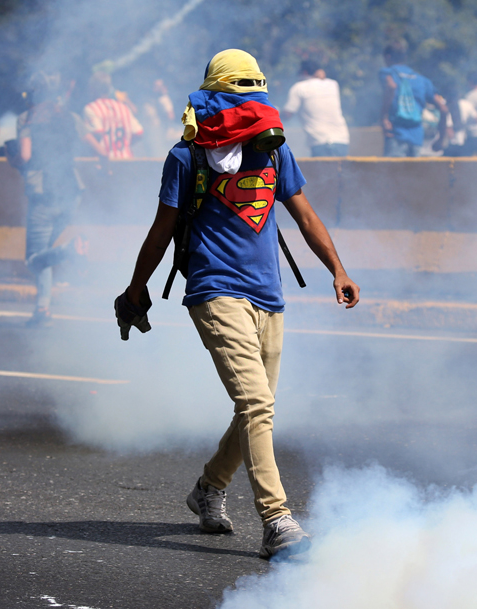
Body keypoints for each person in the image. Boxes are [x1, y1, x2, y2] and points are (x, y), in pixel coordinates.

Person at [116, 49, 360, 559]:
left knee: (254, 408)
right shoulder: (186, 157)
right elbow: (162, 230)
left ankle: (208, 488)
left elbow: (306, 216)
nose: (248, 104)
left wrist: (337, 269)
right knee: (257, 405)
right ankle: (277, 521)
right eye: (239, 95)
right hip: (214, 291)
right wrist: (136, 288)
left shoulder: (274, 150)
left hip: (269, 296)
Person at [13, 71, 85, 326]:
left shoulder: (27, 118)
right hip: (71, 192)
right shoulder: (70, 116)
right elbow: (89, 142)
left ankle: (68, 250)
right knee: (43, 254)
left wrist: (14, 156)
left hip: (44, 194)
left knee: (34, 258)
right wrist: (104, 159)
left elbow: (24, 155)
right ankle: (41, 309)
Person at [379, 41, 448, 157]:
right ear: (405, 58)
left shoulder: (388, 72)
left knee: (393, 174)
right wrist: (441, 139)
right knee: (412, 174)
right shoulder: (422, 79)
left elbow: (391, 86)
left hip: (396, 134)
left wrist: (384, 117)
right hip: (417, 138)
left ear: (388, 57)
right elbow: (444, 109)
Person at [282, 59, 350, 157]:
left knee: (322, 172)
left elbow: (288, 114)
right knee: (342, 172)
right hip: (342, 140)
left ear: (304, 72)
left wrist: (274, 112)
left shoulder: (299, 88)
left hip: (319, 142)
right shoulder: (333, 84)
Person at [83, 72, 144, 159]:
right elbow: (139, 133)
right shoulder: (124, 107)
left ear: (92, 89)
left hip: (104, 164)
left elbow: (97, 134)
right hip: (127, 161)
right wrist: (123, 144)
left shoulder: (91, 109)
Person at [140, 78, 178, 157]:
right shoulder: (153, 100)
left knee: (158, 153)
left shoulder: (163, 99)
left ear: (163, 87)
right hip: (153, 132)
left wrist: (163, 124)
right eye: (154, 86)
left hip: (160, 132)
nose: (155, 88)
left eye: (158, 86)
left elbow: (170, 116)